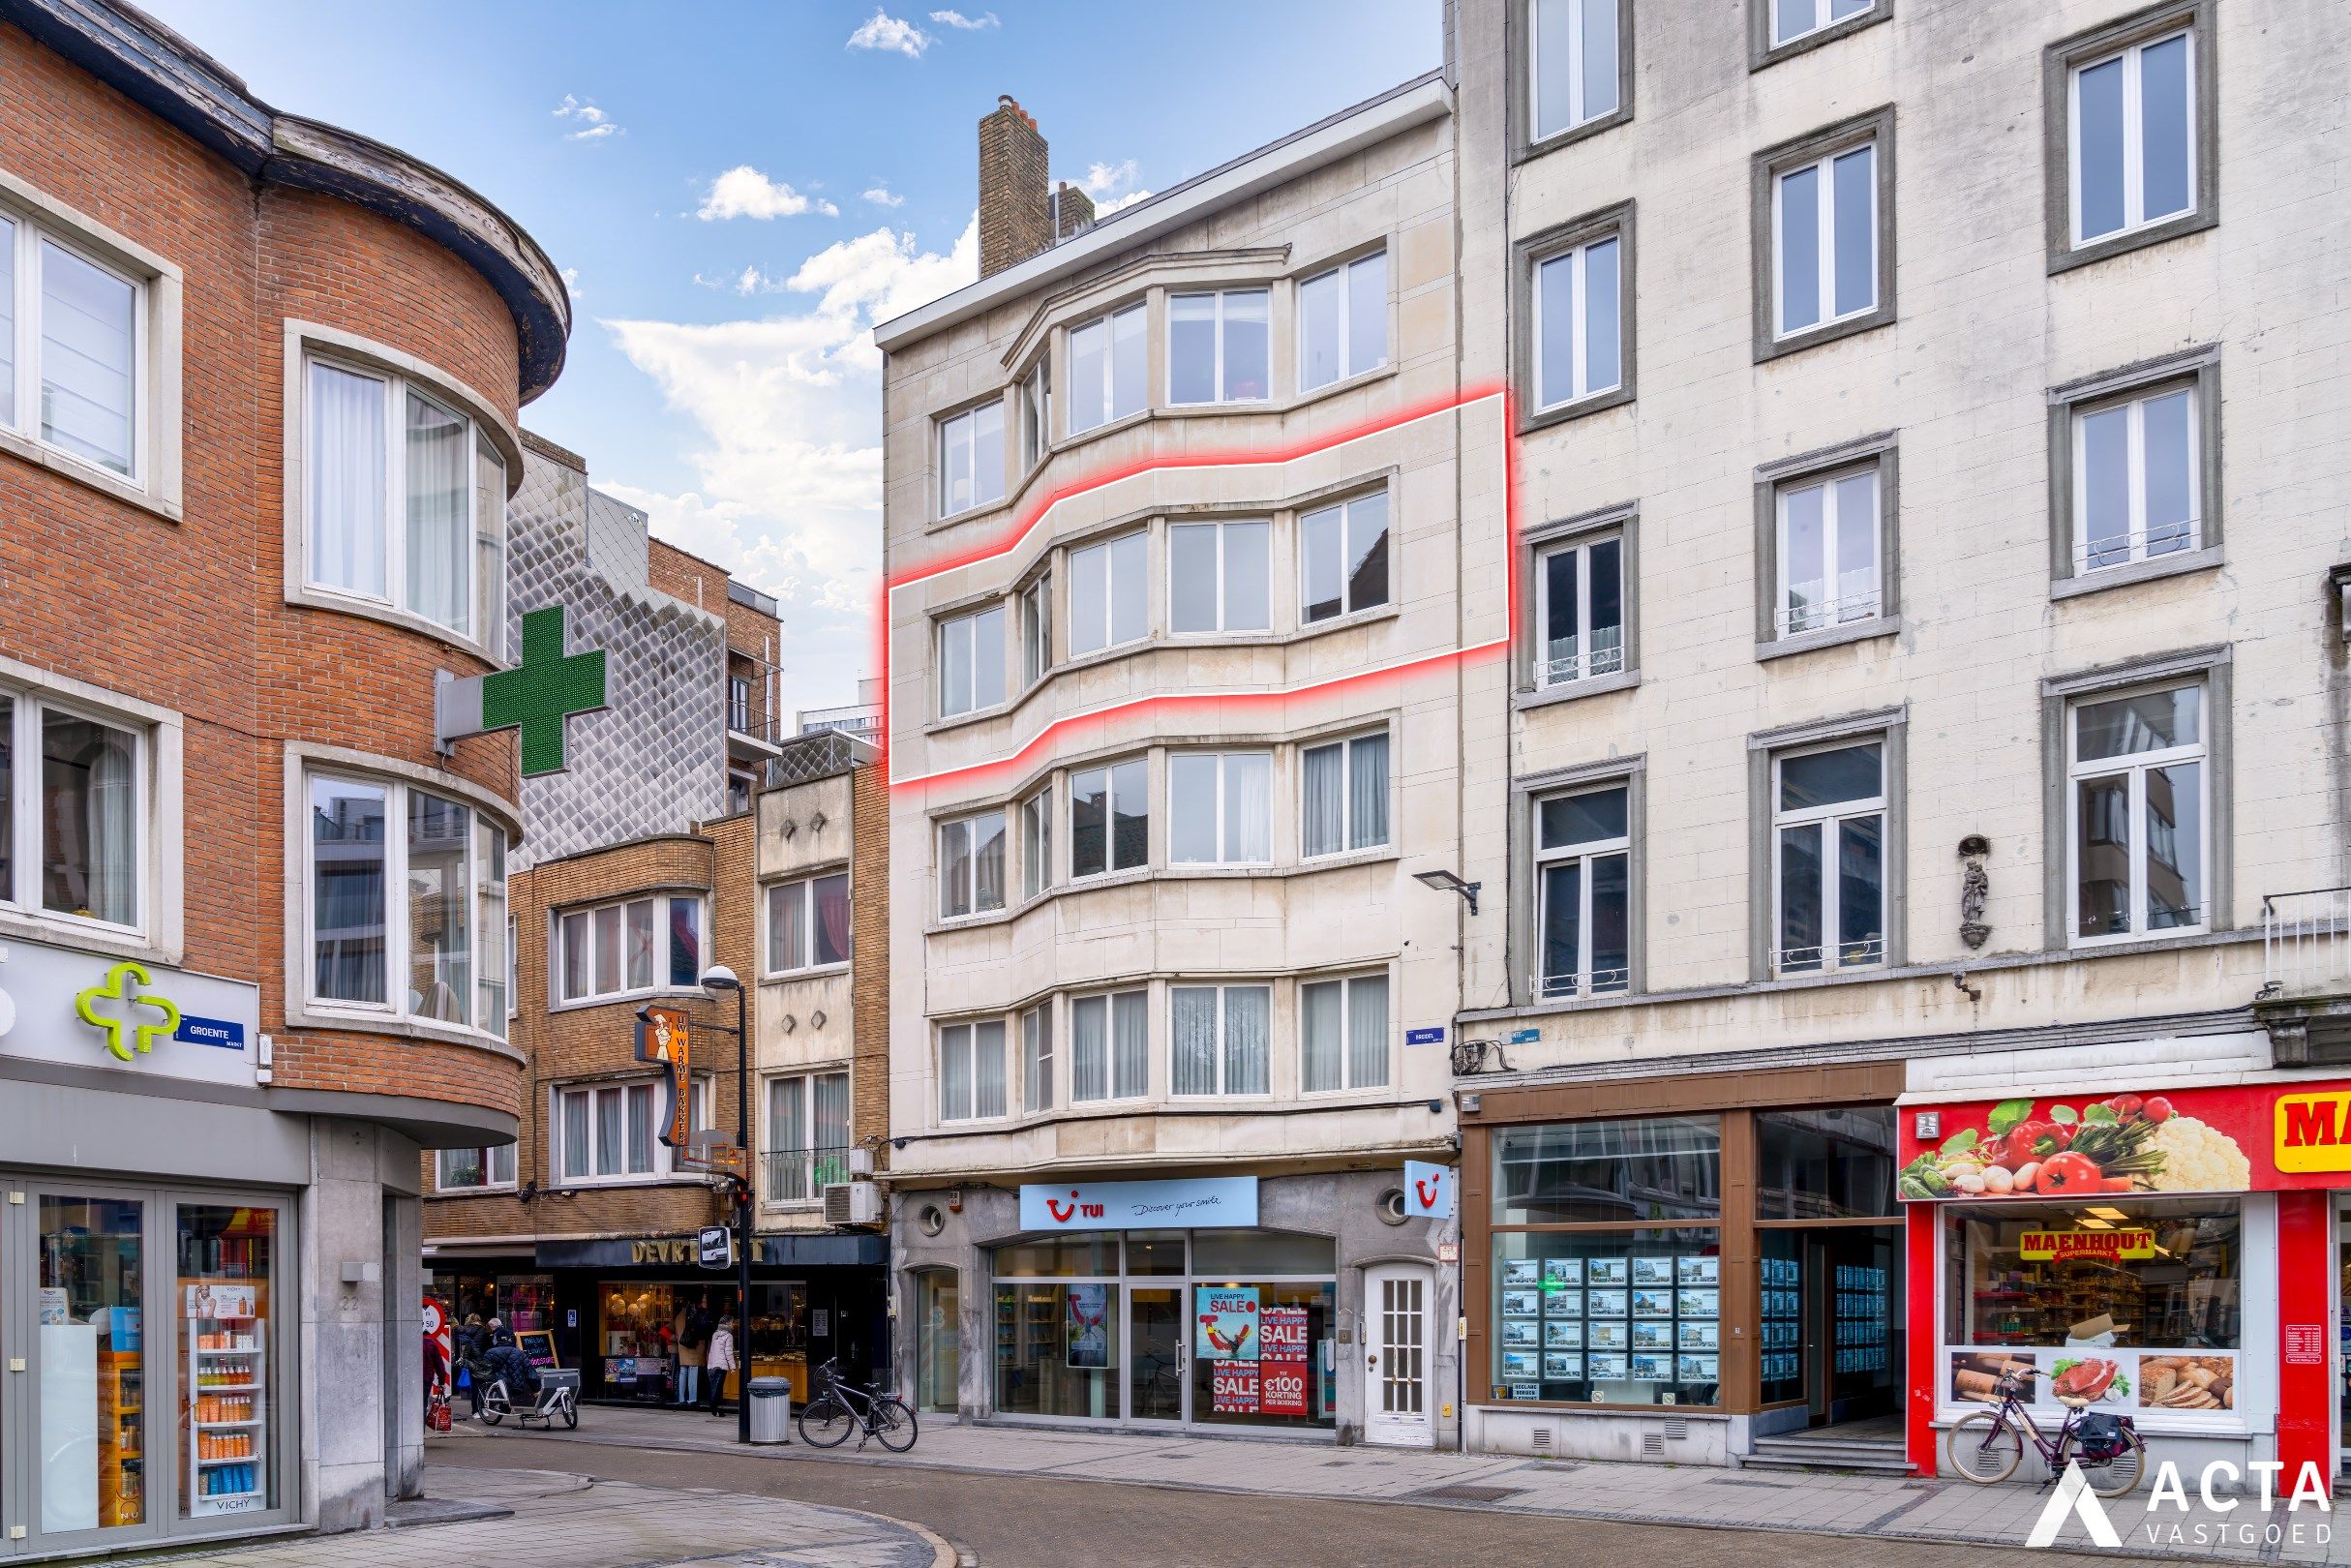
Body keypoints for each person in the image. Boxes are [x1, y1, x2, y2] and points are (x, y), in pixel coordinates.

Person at [675, 1297, 709, 1410]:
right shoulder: (695, 1315)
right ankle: (692, 1398)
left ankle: (681, 1398)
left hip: (682, 1347)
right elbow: (701, 1331)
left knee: (683, 1372)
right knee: (693, 1372)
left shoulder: (679, 1316)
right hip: (694, 1347)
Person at [704, 1313, 737, 1416]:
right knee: (718, 1389)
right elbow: (728, 1352)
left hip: (712, 1365)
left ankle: (716, 1409)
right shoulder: (728, 1336)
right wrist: (733, 1367)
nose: (733, 1324)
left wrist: (709, 1364)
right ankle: (714, 1408)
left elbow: (712, 1350)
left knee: (714, 1387)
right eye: (732, 1322)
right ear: (727, 1323)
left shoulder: (715, 1334)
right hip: (721, 1366)